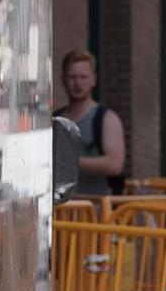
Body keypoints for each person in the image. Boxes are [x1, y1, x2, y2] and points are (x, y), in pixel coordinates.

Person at [53, 50, 125, 197]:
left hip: (96, 212)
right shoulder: (55, 119)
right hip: (61, 211)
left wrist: (69, 162)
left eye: (83, 77)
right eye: (72, 77)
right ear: (63, 80)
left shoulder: (106, 118)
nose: (78, 83)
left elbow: (115, 165)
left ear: (93, 80)